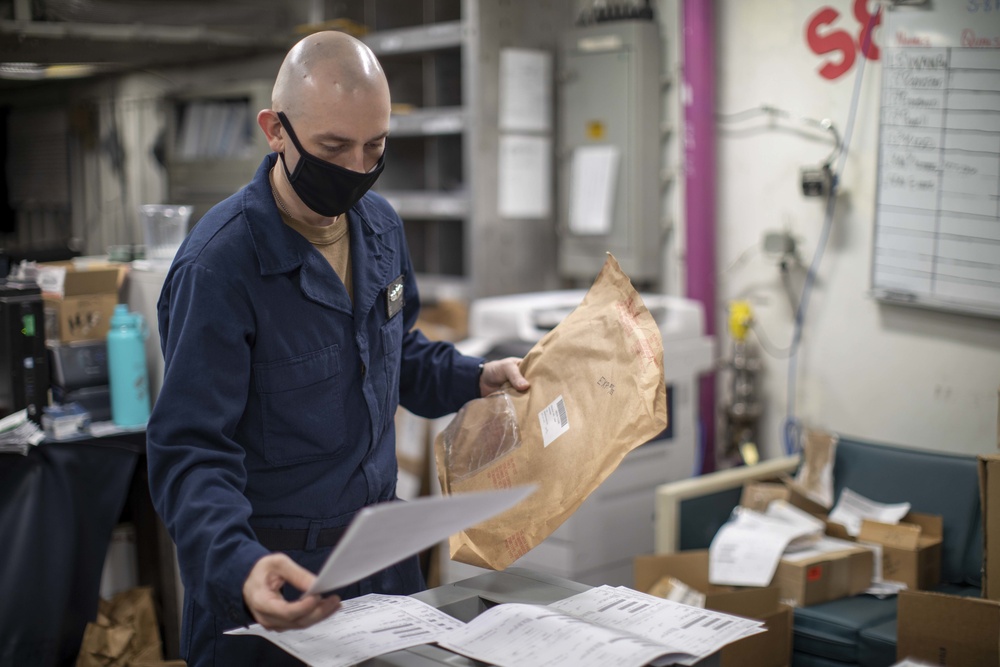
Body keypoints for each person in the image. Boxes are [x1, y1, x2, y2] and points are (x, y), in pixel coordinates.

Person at [146, 30, 529, 665]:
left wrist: (478, 376)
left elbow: (394, 355)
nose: (356, 169)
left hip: (381, 568)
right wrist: (240, 565)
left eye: (374, 147)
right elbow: (188, 452)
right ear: (276, 130)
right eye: (332, 148)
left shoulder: (380, 228)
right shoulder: (219, 269)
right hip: (278, 581)